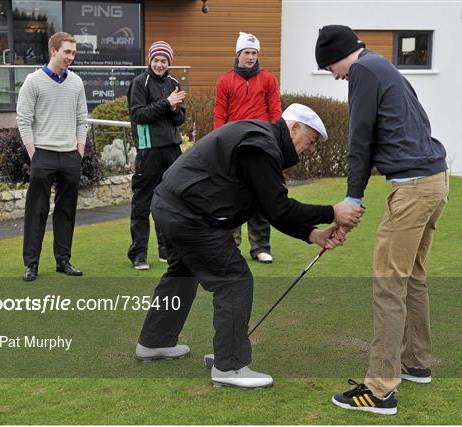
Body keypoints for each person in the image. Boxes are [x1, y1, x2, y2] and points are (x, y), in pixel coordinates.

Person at [134, 103, 364, 389]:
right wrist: (332, 212)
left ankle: (154, 343)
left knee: (182, 274)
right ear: (294, 129)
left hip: (171, 206)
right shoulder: (262, 145)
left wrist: (312, 234)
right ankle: (229, 367)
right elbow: (279, 208)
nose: (312, 150)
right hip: (188, 213)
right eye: (312, 141)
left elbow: (268, 206)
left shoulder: (263, 142)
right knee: (234, 278)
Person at [315, 25, 448, 415]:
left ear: (340, 56)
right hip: (434, 183)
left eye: (330, 68)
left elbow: (360, 140)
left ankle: (380, 390)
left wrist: (352, 200)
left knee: (389, 285)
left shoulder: (363, 72)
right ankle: (416, 362)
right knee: (412, 278)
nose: (335, 76)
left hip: (413, 189)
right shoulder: (382, 66)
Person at [16, 32, 87, 282]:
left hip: (70, 155)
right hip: (43, 154)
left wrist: (79, 149)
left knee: (66, 211)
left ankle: (63, 261)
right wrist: (34, 152)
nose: (71, 57)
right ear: (53, 51)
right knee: (36, 211)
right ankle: (31, 264)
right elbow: (23, 120)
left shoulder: (76, 82)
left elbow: (82, 119)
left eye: (74, 53)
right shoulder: (33, 81)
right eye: (67, 52)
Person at [213, 32, 282, 264]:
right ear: (238, 55)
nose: (250, 57)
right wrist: (219, 141)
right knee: (232, 196)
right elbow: (220, 113)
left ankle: (260, 246)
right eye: (246, 53)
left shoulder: (268, 79)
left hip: (261, 144)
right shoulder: (225, 81)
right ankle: (231, 246)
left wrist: (274, 137)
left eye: (253, 53)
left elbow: (275, 110)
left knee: (260, 195)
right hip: (233, 144)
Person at [127, 41, 186, 270]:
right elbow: (139, 115)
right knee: (143, 202)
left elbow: (180, 119)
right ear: (149, 61)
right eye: (156, 60)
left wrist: (173, 108)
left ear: (169, 62)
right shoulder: (140, 83)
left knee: (170, 202)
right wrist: (166, 103)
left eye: (164, 61)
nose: (159, 64)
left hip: (172, 150)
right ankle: (138, 254)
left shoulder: (173, 83)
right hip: (148, 150)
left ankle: (166, 250)